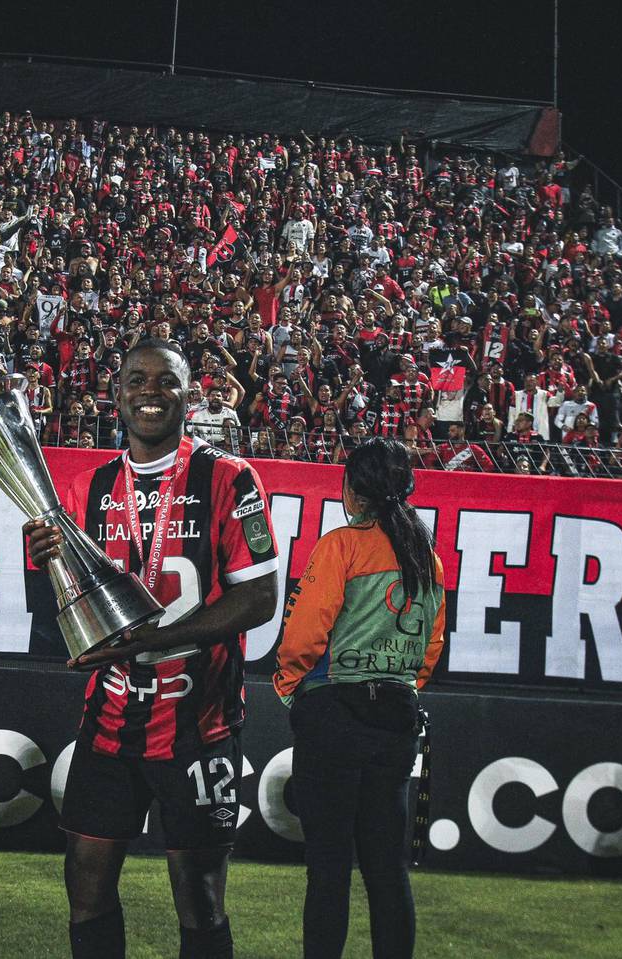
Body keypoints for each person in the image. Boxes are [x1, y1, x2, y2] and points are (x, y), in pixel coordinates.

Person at [24, 338, 280, 959]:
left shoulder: (228, 477)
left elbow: (259, 601)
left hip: (200, 725)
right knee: (84, 886)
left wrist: (155, 639)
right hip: (109, 723)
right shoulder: (88, 488)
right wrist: (44, 569)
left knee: (200, 899)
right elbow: (56, 618)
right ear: (115, 395)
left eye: (167, 382)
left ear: (190, 397)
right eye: (136, 380)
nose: (150, 392)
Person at [273, 438, 445, 959]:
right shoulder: (427, 557)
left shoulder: (341, 545)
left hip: (334, 715)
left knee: (329, 869)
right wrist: (404, 688)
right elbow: (431, 645)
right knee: (387, 872)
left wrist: (290, 689)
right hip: (395, 719)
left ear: (354, 489)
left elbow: (304, 635)